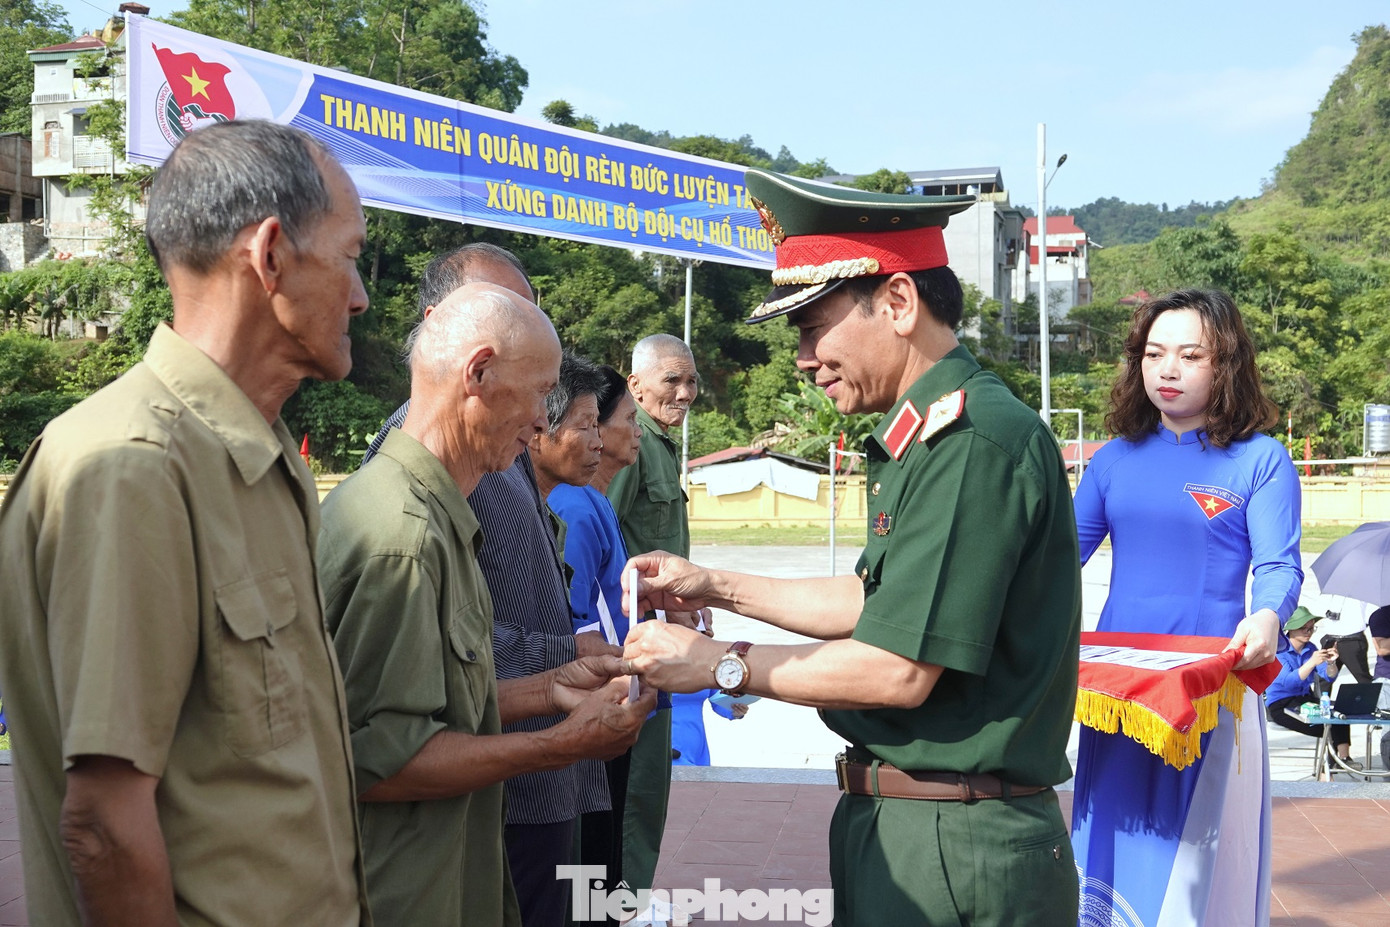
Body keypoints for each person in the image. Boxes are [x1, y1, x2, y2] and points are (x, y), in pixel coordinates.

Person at [621, 169, 1082, 927]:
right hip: (916, 821)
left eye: (813, 328)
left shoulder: (970, 443)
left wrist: (716, 663)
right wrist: (711, 583)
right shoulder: (926, 436)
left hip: (955, 839)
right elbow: (876, 601)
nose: (804, 358)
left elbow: (897, 667)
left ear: (897, 302)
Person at [0, 120, 370, 925]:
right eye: (350, 257)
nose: (360, 295)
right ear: (270, 255)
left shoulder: (261, 458)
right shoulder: (133, 467)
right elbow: (104, 825)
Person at [318, 284, 654, 927]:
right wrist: (558, 745)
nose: (542, 423)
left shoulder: (435, 514)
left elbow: (437, 704)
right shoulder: (403, 539)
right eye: (539, 395)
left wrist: (552, 687)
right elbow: (382, 761)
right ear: (478, 374)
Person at [1070, 288, 1301, 926]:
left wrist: (1268, 615)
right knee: (1107, 837)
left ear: (1226, 364)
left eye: (1190, 355)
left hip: (1208, 690)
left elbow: (1279, 565)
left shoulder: (1261, 459)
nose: (1167, 370)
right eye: (1154, 354)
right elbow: (1054, 562)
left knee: (1197, 859)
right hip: (1118, 693)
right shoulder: (1112, 461)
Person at [605, 333, 701, 897]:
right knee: (638, 786)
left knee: (649, 781)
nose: (684, 392)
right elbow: (605, 533)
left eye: (691, 381)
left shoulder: (658, 443)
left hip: (661, 635)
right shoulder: (631, 442)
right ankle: (622, 901)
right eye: (671, 380)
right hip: (636, 641)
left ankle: (626, 898)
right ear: (636, 385)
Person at [1265, 607, 1354, 766]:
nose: (1308, 632)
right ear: (1291, 629)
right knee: (1327, 726)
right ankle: (1331, 768)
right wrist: (1312, 662)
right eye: (1303, 628)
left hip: (1305, 699)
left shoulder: (1310, 648)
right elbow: (1289, 683)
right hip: (1281, 704)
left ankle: (1344, 759)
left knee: (1340, 714)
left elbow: (1329, 676)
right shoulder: (1279, 651)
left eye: (1311, 628)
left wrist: (1331, 662)